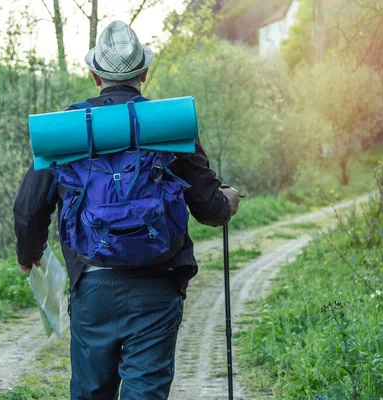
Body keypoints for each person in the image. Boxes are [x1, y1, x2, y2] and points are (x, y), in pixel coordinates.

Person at [14, 20, 240, 400]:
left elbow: (27, 209)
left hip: (93, 287)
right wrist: (229, 198)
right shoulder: (169, 125)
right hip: (157, 286)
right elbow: (210, 209)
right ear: (145, 74)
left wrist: (29, 254)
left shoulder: (67, 130)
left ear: (94, 76)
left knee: (91, 393)